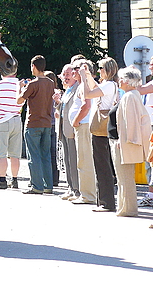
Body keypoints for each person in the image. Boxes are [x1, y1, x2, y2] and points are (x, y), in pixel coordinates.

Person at [108, 67, 150, 217]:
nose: (119, 81)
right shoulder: (131, 95)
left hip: (123, 143)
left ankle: (128, 209)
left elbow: (130, 121)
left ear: (127, 81)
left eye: (121, 78)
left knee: (124, 177)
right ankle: (124, 208)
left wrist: (124, 140)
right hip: (123, 142)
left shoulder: (130, 96)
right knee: (123, 177)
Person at [79, 57, 119, 212]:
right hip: (102, 129)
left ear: (107, 69)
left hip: (100, 130)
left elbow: (87, 94)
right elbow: (94, 88)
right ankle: (102, 200)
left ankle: (106, 202)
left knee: (102, 165)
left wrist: (83, 77)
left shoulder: (109, 85)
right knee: (101, 164)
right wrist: (88, 76)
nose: (99, 70)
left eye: (101, 68)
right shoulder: (109, 85)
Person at [18, 55, 55, 194]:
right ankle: (48, 185)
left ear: (33, 66)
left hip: (33, 123)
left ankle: (37, 186)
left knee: (34, 155)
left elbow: (19, 100)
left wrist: (21, 88)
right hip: (47, 123)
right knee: (45, 154)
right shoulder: (51, 82)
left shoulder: (33, 84)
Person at [68, 59, 97, 205]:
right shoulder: (83, 85)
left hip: (83, 126)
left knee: (84, 161)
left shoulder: (84, 86)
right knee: (83, 161)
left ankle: (88, 195)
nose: (73, 71)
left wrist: (75, 121)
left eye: (76, 68)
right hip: (83, 125)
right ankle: (86, 193)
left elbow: (86, 106)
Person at [54, 64, 80, 201]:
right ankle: (70, 188)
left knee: (73, 160)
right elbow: (62, 109)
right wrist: (58, 101)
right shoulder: (68, 90)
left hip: (72, 130)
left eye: (68, 74)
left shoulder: (77, 89)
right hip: (63, 129)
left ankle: (77, 189)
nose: (65, 77)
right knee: (67, 160)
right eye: (64, 74)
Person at [137, 56, 153, 207]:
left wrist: (133, 80)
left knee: (151, 162)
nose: (151, 67)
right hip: (149, 126)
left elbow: (139, 90)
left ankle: (150, 195)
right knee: (149, 161)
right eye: (150, 64)